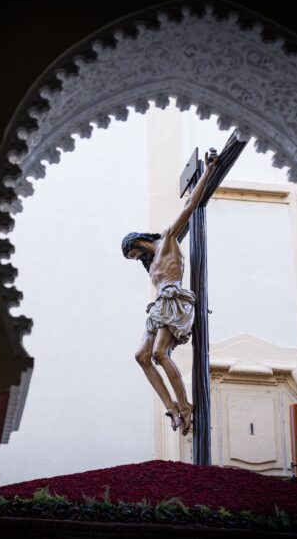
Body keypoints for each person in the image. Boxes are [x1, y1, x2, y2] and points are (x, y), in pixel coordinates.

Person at [121, 149, 220, 435]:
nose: (136, 259)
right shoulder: (151, 264)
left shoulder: (167, 239)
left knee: (160, 353)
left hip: (174, 300)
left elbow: (189, 207)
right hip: (159, 307)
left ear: (137, 242)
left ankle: (185, 406)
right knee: (142, 356)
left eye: (133, 254)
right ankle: (172, 407)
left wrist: (208, 171)